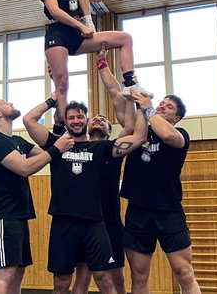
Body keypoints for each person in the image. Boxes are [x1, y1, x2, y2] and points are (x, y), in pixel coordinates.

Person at [23, 98, 145, 294]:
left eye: (80, 116)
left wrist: (142, 106)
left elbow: (138, 137)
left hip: (94, 223)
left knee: (104, 278)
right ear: (66, 121)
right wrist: (53, 100)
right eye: (71, 118)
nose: (76, 121)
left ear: (87, 120)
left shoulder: (102, 148)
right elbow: (29, 120)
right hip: (63, 222)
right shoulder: (57, 144)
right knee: (61, 280)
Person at [38, 0, 150, 123]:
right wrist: (81, 26)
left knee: (125, 38)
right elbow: (55, 11)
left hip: (79, 34)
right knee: (62, 83)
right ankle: (62, 126)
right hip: (58, 34)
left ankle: (130, 83)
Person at [0, 97, 75, 294]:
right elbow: (24, 168)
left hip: (18, 215)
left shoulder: (17, 141)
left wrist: (58, 127)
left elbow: (47, 155)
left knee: (18, 270)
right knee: (5, 272)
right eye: (5, 102)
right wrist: (51, 101)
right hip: (2, 215)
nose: (11, 103)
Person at [72, 48, 139, 294]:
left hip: (109, 220)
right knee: (82, 278)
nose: (98, 120)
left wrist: (102, 65)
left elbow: (116, 96)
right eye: (94, 118)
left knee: (116, 279)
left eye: (103, 120)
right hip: (81, 219)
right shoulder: (76, 146)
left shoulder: (113, 148)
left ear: (111, 132)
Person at [120, 93, 201, 294]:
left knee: (184, 272)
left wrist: (149, 108)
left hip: (169, 213)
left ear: (177, 118)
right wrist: (131, 86)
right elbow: (117, 98)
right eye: (161, 104)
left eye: (170, 107)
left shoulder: (180, 134)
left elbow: (168, 136)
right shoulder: (140, 132)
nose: (163, 107)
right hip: (138, 213)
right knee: (138, 276)